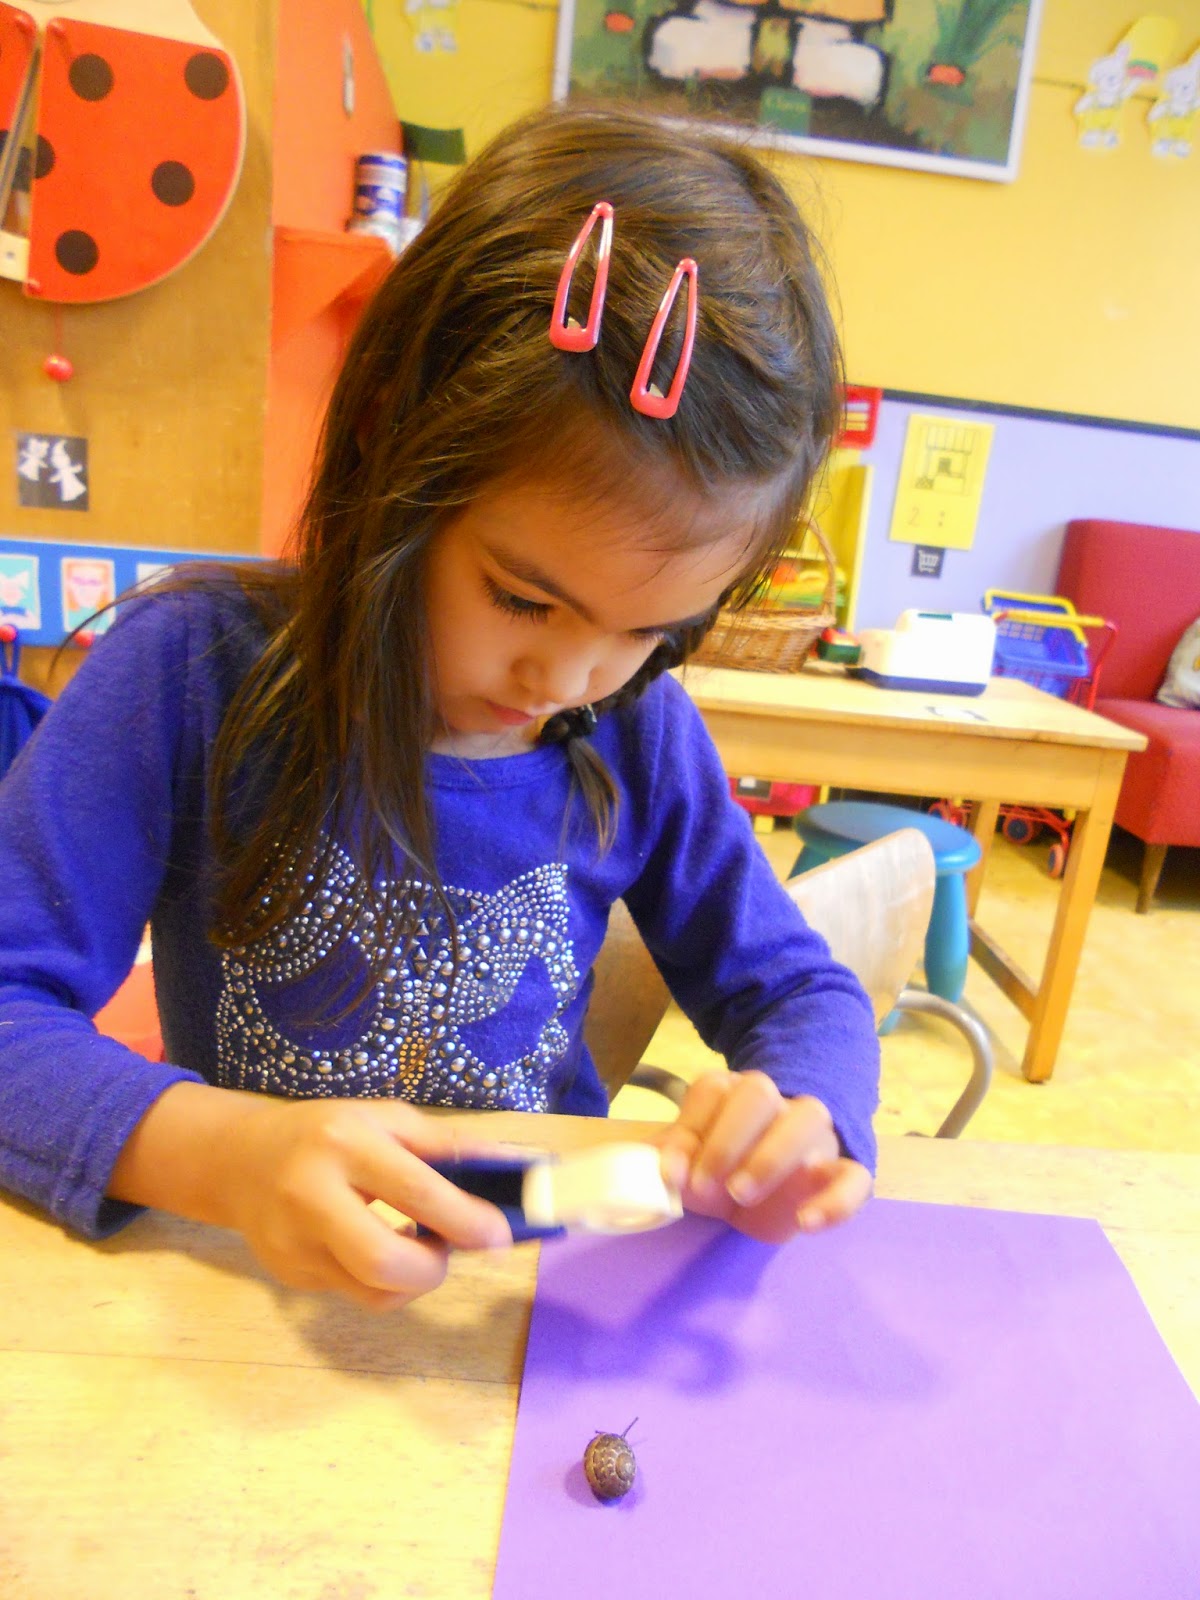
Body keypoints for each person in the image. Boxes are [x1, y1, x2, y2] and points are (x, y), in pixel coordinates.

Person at [0, 102, 879, 1311]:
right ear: (389, 443)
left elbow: (798, 994)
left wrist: (802, 1123)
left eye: (651, 630)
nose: (568, 681)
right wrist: (228, 1154)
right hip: (243, 1296)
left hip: (526, 1310)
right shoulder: (189, 673)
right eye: (523, 599)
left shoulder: (640, 731)